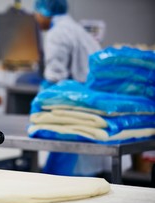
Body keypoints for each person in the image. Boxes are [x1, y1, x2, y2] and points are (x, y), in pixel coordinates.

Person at [33, 0, 105, 176]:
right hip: (88, 109)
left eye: (36, 13)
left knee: (61, 174)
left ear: (44, 12)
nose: (36, 17)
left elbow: (55, 77)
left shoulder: (57, 34)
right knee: (81, 172)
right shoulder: (76, 30)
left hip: (72, 111)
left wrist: (39, 106)